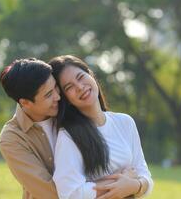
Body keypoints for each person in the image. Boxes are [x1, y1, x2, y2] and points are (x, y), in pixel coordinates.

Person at [48, 55, 153, 199]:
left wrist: (134, 185)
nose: (79, 87)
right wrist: (121, 183)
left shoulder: (125, 122)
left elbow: (144, 175)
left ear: (91, 75)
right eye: (69, 87)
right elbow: (70, 193)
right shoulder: (68, 136)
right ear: (66, 99)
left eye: (80, 77)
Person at [0, 58, 61, 199]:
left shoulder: (68, 111)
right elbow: (49, 192)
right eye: (48, 94)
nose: (57, 97)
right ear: (25, 102)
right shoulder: (11, 138)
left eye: (55, 87)